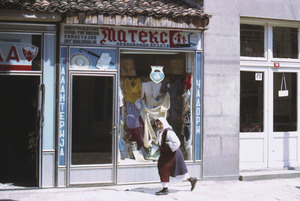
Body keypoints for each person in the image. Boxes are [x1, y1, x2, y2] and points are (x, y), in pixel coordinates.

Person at [155, 117, 197, 195]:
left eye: (160, 124)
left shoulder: (168, 132)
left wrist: (168, 144)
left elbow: (177, 143)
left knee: (168, 169)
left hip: (173, 153)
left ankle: (165, 189)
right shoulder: (159, 132)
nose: (159, 126)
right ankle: (191, 179)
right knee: (165, 169)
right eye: (157, 125)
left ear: (164, 123)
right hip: (166, 154)